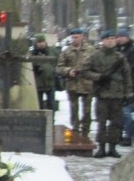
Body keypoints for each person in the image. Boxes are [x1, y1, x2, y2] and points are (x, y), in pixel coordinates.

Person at [81, 30, 133, 158]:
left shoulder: (120, 58)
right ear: (103, 40)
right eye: (108, 39)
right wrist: (99, 77)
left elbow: (127, 76)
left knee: (116, 123)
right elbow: (84, 71)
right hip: (102, 94)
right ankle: (101, 148)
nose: (111, 41)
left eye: (113, 38)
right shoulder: (95, 56)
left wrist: (128, 93)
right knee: (101, 122)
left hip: (117, 95)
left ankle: (113, 147)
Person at [56, 28, 95, 137]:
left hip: (87, 84)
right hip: (72, 84)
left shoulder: (91, 50)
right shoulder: (67, 51)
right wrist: (68, 71)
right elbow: (59, 67)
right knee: (74, 110)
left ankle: (85, 132)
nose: (75, 39)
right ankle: (76, 130)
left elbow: (96, 66)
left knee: (87, 111)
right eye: (73, 37)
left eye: (77, 37)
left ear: (82, 37)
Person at [116, 28, 134, 146]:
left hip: (130, 84)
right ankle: (124, 134)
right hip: (118, 85)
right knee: (122, 111)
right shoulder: (116, 50)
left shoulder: (131, 50)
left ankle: (128, 135)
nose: (119, 39)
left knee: (126, 111)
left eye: (121, 36)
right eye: (118, 36)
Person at [31, 34, 58, 111]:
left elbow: (58, 63)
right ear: (35, 43)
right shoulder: (32, 53)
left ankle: (51, 122)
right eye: (39, 42)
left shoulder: (52, 52)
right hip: (38, 84)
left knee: (51, 105)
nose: (41, 44)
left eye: (42, 41)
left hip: (50, 83)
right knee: (39, 106)